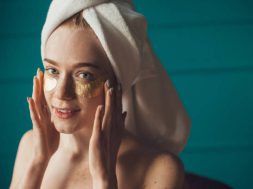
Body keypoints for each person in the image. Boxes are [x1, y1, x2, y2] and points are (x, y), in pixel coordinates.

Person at [10, 0, 191, 188]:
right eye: (53, 70)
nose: (62, 93)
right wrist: (38, 163)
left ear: (116, 84)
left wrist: (104, 178)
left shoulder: (159, 169)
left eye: (84, 75)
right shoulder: (30, 146)